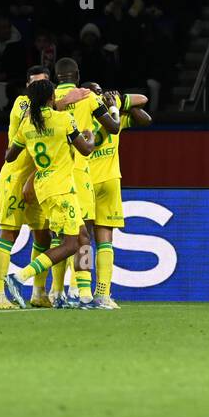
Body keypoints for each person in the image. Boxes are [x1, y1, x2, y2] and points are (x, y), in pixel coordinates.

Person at [0, 79, 96, 309]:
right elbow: (86, 149)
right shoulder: (64, 119)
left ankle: (84, 297)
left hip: (44, 186)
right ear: (52, 97)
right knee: (72, 243)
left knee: (82, 237)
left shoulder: (27, 125)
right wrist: (90, 136)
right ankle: (20, 277)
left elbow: (10, 156)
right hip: (62, 187)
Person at [49, 58, 119, 306]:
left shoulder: (47, 99)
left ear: (56, 77)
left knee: (59, 235)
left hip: (53, 175)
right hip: (79, 172)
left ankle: (56, 293)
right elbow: (113, 127)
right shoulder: (88, 97)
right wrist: (113, 110)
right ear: (77, 75)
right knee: (84, 236)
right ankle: (84, 292)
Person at [84, 82, 153, 310]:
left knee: (92, 240)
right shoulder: (107, 117)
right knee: (89, 241)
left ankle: (95, 293)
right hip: (96, 183)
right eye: (96, 92)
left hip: (95, 184)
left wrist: (122, 104)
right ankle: (86, 292)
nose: (100, 94)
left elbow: (145, 118)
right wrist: (121, 103)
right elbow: (142, 101)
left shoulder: (93, 116)